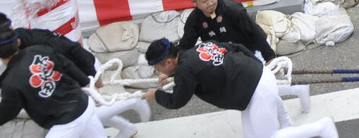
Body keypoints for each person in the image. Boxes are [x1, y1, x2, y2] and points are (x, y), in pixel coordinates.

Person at [143, 39, 337, 138]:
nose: (158, 71)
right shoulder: (199, 48)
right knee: (252, 135)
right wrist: (256, 66)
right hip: (257, 78)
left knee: (267, 137)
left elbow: (177, 101)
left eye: (158, 68)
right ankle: (288, 127)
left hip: (255, 89)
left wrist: (156, 95)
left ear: (169, 62)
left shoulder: (185, 71)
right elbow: (235, 46)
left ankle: (322, 127)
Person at [0, 13, 148, 138]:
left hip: (84, 66)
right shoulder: (37, 50)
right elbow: (62, 63)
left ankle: (132, 101)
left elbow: (73, 51)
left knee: (89, 113)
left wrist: (89, 79)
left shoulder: (35, 43)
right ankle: (127, 127)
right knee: (87, 114)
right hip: (73, 92)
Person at [178, 0, 311, 110]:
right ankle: (297, 90)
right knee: (251, 90)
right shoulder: (194, 20)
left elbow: (255, 33)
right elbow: (185, 45)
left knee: (259, 88)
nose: (210, 3)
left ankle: (296, 92)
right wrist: (173, 68)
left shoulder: (232, 9)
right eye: (204, 1)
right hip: (229, 59)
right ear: (194, 2)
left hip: (253, 50)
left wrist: (270, 58)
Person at [0, 19, 107, 138]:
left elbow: (9, 110)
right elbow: (68, 65)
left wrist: (92, 79)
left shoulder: (11, 82)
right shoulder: (40, 50)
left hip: (68, 119)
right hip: (84, 103)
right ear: (17, 42)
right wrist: (87, 83)